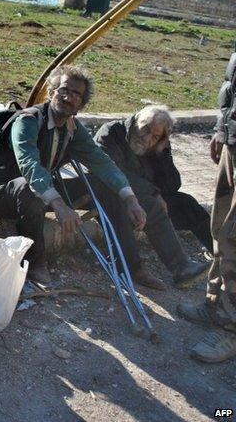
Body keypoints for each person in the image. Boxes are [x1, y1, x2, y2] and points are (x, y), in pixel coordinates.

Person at [0, 65, 152, 287]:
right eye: (63, 89)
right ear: (52, 92)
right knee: (29, 187)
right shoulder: (28, 121)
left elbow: (102, 163)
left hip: (42, 191)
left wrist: (130, 199)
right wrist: (59, 205)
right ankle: (35, 261)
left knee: (102, 185)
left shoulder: (73, 128)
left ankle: (131, 265)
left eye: (75, 94)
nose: (67, 97)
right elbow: (29, 165)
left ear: (81, 105)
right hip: (3, 193)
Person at [94, 105, 210, 289]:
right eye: (145, 128)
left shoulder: (154, 144)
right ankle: (177, 267)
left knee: (185, 203)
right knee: (150, 204)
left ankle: (223, 256)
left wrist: (162, 150)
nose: (147, 137)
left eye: (155, 136)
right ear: (136, 119)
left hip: (141, 193)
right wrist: (154, 192)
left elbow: (172, 186)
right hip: (109, 192)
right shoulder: (111, 132)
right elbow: (113, 173)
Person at [177, 47, 236, 363]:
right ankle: (215, 303)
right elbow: (232, 85)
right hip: (234, 143)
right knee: (220, 230)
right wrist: (222, 129)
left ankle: (232, 328)